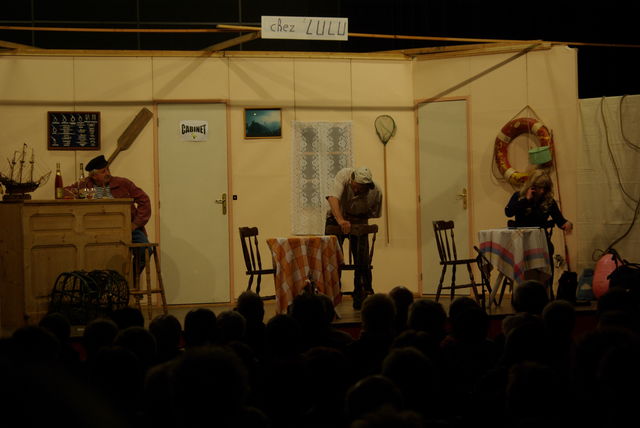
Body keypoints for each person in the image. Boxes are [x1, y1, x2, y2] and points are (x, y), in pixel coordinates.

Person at [64, 154, 152, 272]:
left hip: (127, 228)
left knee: (145, 250)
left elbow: (144, 200)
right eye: (103, 171)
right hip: (97, 230)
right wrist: (79, 193)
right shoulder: (85, 185)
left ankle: (130, 279)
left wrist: (135, 224)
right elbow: (64, 191)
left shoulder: (123, 183)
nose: (108, 173)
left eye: (108, 170)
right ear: (94, 176)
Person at [325, 166, 383, 309]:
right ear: (351, 180)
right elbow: (332, 198)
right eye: (356, 186)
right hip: (337, 218)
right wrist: (341, 220)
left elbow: (374, 213)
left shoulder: (376, 192)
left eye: (362, 188)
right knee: (332, 259)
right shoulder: (344, 175)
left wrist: (357, 219)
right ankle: (331, 295)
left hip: (359, 219)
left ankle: (361, 294)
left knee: (362, 261)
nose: (358, 190)